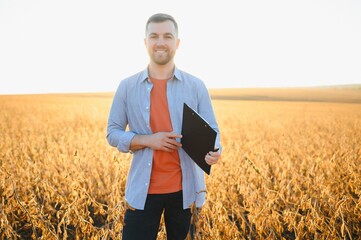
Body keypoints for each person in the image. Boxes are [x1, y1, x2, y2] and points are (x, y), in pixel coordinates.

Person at [106, 13, 221, 240]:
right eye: (154, 36)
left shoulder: (196, 86)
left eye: (168, 36)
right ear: (145, 42)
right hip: (142, 191)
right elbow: (112, 132)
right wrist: (148, 140)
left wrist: (215, 152)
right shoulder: (127, 86)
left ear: (177, 43)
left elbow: (213, 133)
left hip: (185, 192)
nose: (161, 42)